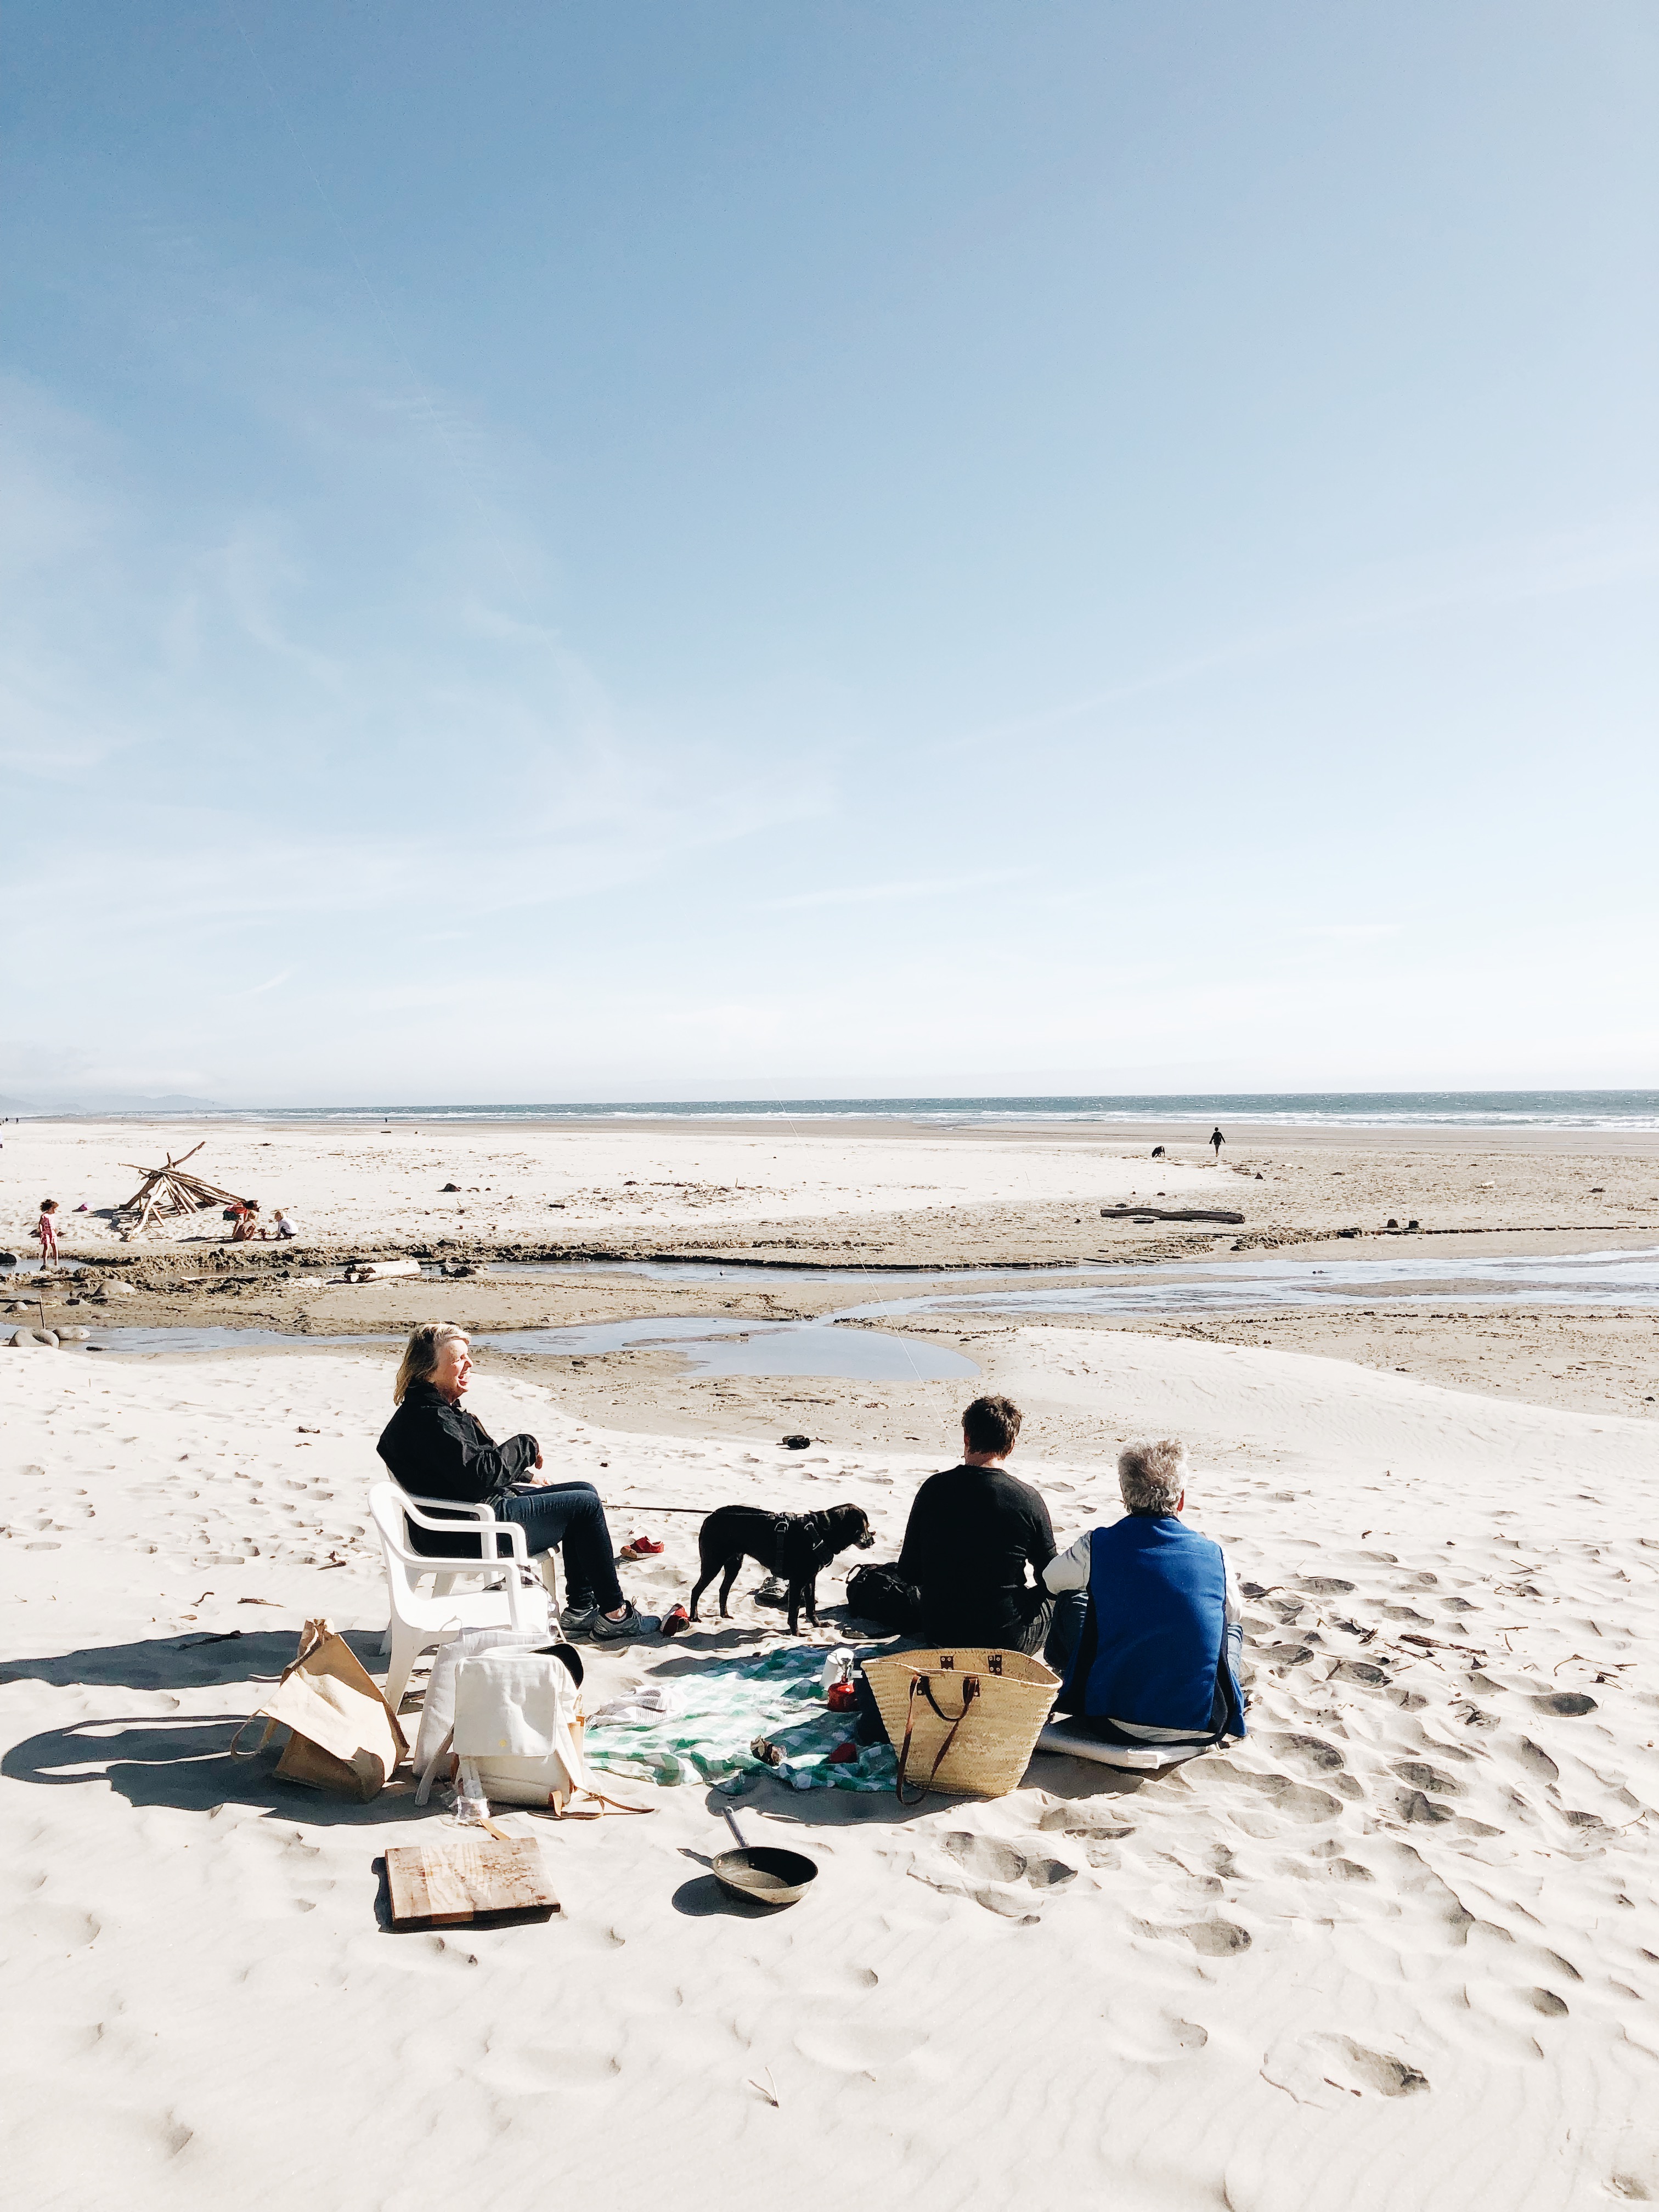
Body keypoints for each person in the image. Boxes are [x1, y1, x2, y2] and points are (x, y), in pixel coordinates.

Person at [376, 1322, 657, 1641]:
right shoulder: (432, 1419)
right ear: (429, 1370)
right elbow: (479, 1476)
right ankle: (614, 1614)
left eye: (468, 1357)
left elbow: (458, 1468)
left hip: (462, 1520)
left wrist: (523, 1474)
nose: (469, 1365)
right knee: (585, 1506)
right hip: (471, 1532)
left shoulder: (426, 1411)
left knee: (584, 1492)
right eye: (458, 1360)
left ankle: (581, 1610)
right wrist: (526, 1444)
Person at [1042, 1437, 1244, 1755]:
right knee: (1230, 1629)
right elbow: (1234, 1614)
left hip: (1111, 1720)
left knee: (1074, 1599)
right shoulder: (1214, 1554)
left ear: (1125, 1495)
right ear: (1180, 1500)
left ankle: (1074, 1678)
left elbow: (1051, 1581)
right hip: (1199, 1724)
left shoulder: (1098, 1544)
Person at [893, 1395, 1079, 1662]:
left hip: (941, 1633)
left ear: (967, 1438)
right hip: (1005, 1641)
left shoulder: (933, 1489)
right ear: (1011, 1445)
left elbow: (909, 1572)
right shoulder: (1027, 1498)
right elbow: (1049, 1578)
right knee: (1068, 1595)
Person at [35, 1200, 59, 1265]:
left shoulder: (53, 1215)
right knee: (47, 1247)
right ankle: (45, 1262)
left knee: (55, 1245)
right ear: (51, 1208)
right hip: (46, 1233)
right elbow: (40, 1224)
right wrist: (41, 1231)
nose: (55, 1210)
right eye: (54, 1209)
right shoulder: (44, 1216)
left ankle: (56, 1260)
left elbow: (53, 1223)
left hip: (53, 1232)